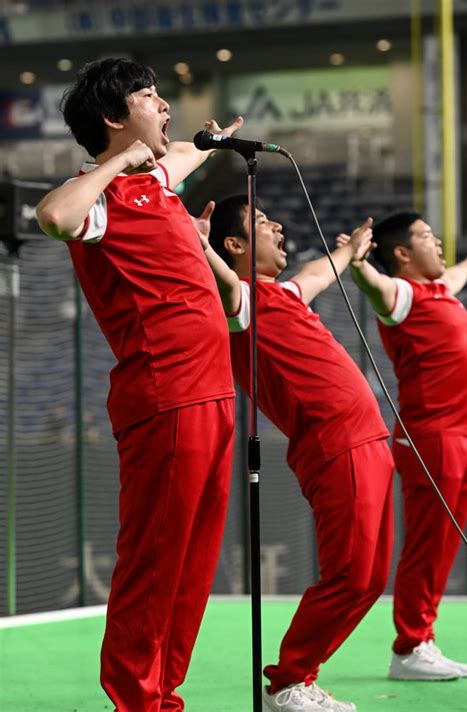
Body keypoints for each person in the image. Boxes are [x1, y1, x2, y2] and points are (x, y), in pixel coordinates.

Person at [36, 57, 243, 711]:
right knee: (154, 562)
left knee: (191, 566)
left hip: (214, 396)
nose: (164, 105)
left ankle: (163, 695)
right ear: (112, 118)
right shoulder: (103, 199)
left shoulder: (155, 181)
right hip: (168, 398)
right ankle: (135, 700)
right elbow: (53, 217)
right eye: (149, 97)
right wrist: (111, 163)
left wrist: (199, 146)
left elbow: (181, 150)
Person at [203, 195, 395, 712]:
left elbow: (317, 272)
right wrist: (196, 242)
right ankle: (287, 683)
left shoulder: (283, 293)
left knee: (372, 579)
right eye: (262, 222)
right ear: (235, 245)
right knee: (350, 575)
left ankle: (297, 679)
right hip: (337, 446)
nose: (278, 225)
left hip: (370, 441)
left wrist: (352, 250)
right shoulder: (239, 300)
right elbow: (218, 276)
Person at [341, 211, 467, 681]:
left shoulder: (441, 291)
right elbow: (374, 284)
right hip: (432, 439)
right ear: (401, 253)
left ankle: (424, 641)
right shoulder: (401, 295)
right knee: (427, 544)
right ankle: (410, 647)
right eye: (427, 237)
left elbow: (457, 272)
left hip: (464, 437)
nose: (438, 243)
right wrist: (358, 264)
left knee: (442, 547)